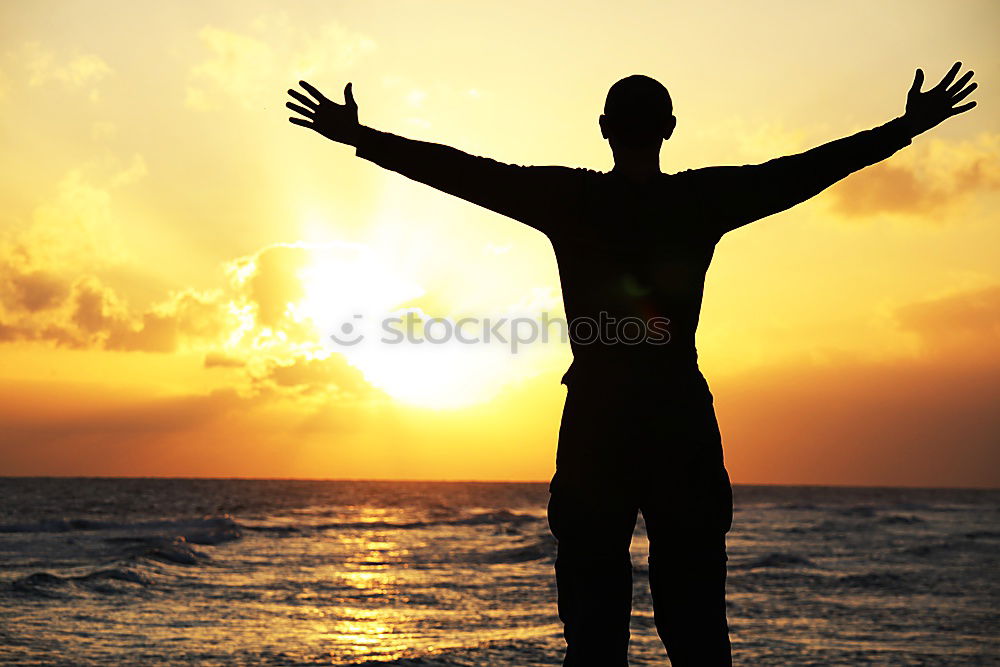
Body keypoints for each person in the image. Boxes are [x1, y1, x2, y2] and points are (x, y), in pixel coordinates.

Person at [286, 63, 977, 666]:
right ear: (670, 128)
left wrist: (359, 137)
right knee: (696, 616)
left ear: (604, 128)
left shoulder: (572, 197)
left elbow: (464, 172)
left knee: (593, 619)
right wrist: (903, 128)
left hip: (599, 418)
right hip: (676, 412)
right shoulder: (698, 199)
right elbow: (803, 171)